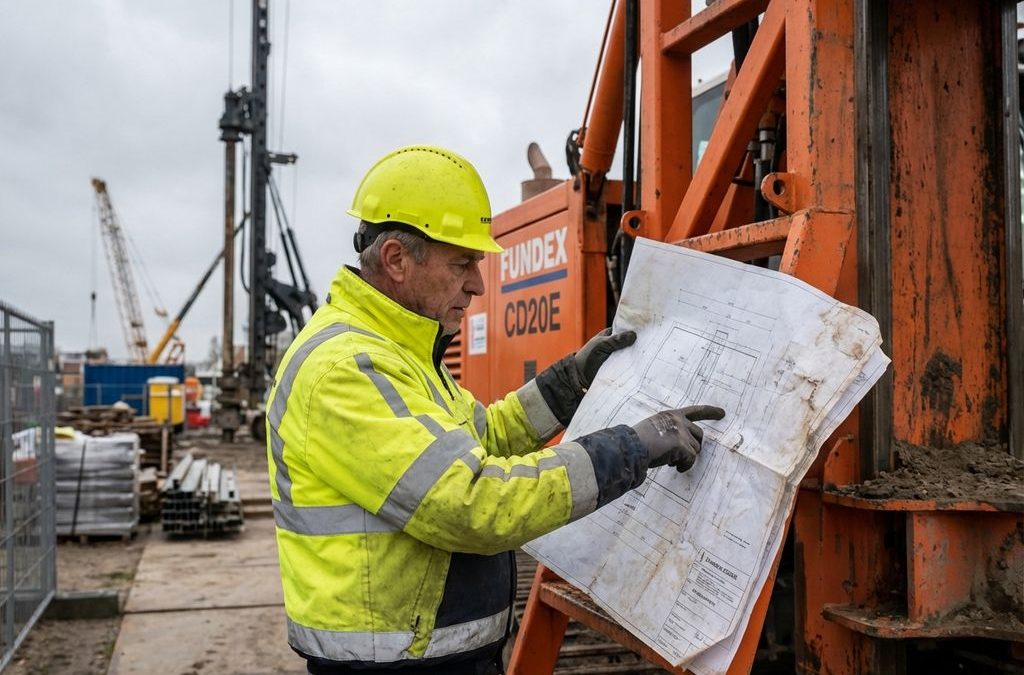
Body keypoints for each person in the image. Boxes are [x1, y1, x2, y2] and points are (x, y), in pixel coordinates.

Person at [267, 145, 725, 675]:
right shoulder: (345, 369)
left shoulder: (402, 353)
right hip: (396, 666)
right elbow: (474, 502)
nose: (478, 285)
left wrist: (569, 381)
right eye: (463, 263)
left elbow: (485, 434)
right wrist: (630, 448)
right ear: (395, 260)